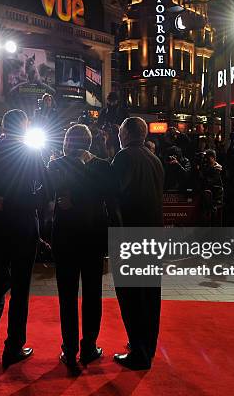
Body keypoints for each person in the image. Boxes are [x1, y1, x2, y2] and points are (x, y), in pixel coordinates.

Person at [0, 109, 45, 367]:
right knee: (21, 288)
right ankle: (13, 345)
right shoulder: (32, 153)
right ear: (24, 128)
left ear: (3, 127)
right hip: (23, 225)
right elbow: (44, 193)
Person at [47, 124, 120, 367]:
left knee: (67, 295)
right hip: (93, 237)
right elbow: (111, 200)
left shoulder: (56, 165)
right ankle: (89, 346)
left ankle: (69, 349)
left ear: (68, 142)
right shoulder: (102, 166)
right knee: (92, 293)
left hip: (65, 238)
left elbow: (49, 196)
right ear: (89, 143)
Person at [111, 117, 164, 370]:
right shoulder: (154, 160)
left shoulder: (123, 158)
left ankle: (138, 351)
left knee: (131, 295)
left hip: (130, 236)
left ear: (127, 133)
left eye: (120, 130)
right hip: (153, 234)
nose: (118, 135)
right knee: (151, 294)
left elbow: (115, 197)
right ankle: (148, 346)